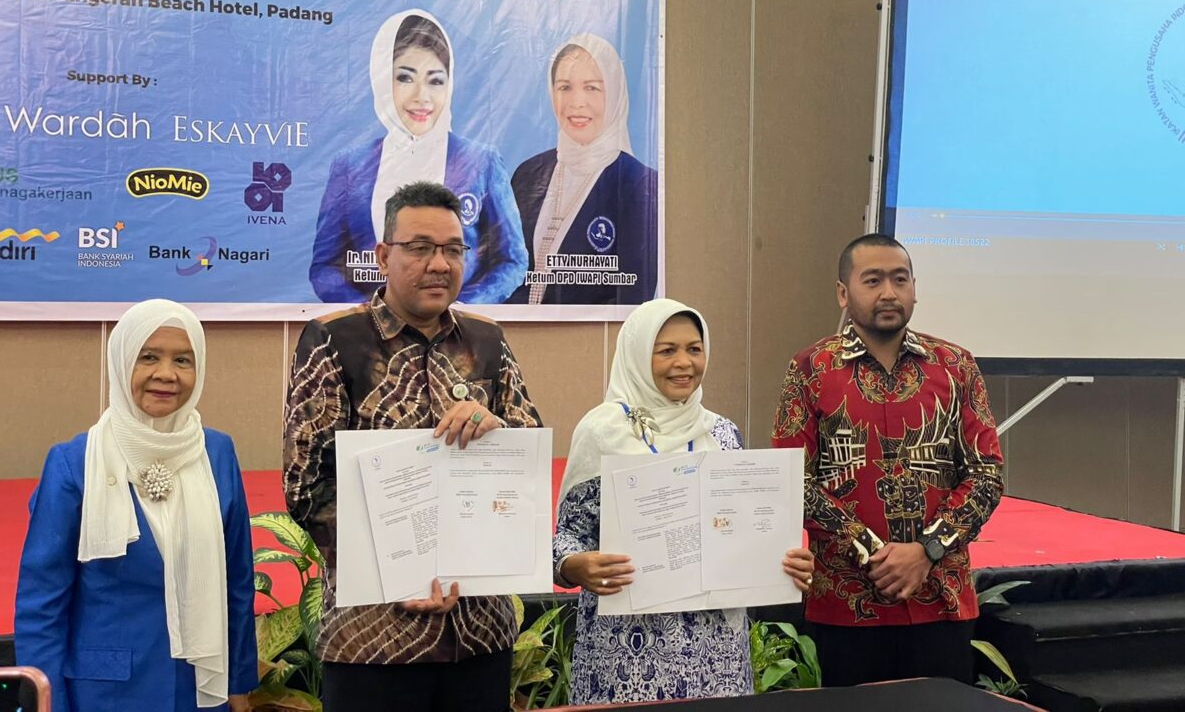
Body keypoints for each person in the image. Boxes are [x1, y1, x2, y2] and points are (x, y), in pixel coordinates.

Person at [285, 180, 543, 712]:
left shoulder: (487, 340)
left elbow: (526, 464)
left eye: (453, 249)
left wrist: (496, 427)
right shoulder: (334, 339)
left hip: (479, 634)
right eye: (420, 247)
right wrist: (396, 572)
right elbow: (305, 486)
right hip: (372, 640)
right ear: (383, 256)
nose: (439, 264)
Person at [553, 298, 814, 703]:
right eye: (666, 350)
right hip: (626, 656)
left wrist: (784, 562)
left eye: (694, 348)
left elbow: (742, 530)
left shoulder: (722, 433)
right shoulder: (602, 432)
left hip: (718, 655)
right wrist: (575, 566)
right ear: (638, 355)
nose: (684, 363)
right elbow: (566, 537)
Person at [771, 234, 1005, 687]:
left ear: (915, 287)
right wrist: (872, 550)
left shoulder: (956, 366)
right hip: (845, 605)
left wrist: (926, 551)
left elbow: (986, 474)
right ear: (844, 293)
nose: (889, 293)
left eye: (900, 279)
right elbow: (791, 480)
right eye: (873, 280)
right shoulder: (810, 369)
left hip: (941, 599)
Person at [14, 299, 258, 711]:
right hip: (104, 693)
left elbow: (237, 579)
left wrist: (238, 683)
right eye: (148, 357)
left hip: (198, 689)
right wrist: (47, 701)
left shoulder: (216, 453)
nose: (166, 374)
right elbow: (42, 603)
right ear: (122, 360)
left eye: (183, 360)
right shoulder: (75, 462)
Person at [310, 9, 527, 305]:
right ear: (382, 80)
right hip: (371, 328)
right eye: (405, 78)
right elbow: (325, 268)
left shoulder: (481, 161)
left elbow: (512, 261)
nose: (421, 96)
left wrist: (462, 308)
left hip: (455, 327)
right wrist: (370, 312)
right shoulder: (351, 165)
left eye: (435, 81)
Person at [508, 33, 657, 305]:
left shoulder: (639, 185)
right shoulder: (528, 175)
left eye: (592, 88)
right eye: (565, 87)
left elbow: (632, 299)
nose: (576, 102)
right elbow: (508, 274)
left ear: (614, 94)